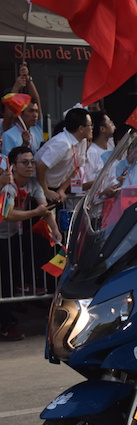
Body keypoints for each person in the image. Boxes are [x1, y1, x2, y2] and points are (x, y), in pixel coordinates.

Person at [0, 146, 61, 339]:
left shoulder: (34, 183)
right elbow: (8, 214)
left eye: (32, 162)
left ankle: (32, 285)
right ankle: (7, 325)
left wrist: (56, 231)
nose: (30, 166)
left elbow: (44, 209)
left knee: (43, 243)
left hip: (14, 236)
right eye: (24, 162)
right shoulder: (8, 185)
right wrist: (34, 213)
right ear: (13, 166)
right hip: (2, 236)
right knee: (5, 284)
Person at [34, 107, 92, 203]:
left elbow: (76, 167)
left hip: (55, 188)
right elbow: (40, 166)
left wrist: (62, 189)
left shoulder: (82, 141)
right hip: (39, 185)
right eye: (90, 125)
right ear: (81, 128)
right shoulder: (62, 143)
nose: (92, 129)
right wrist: (45, 190)